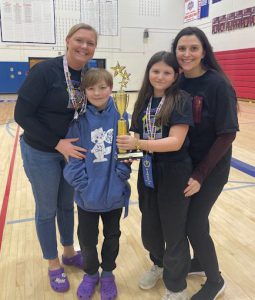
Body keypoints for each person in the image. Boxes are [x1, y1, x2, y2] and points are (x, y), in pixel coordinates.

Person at [14, 23, 98, 293]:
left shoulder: (88, 74)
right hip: (41, 150)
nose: (84, 47)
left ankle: (69, 252)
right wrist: (56, 143)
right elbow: (22, 115)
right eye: (79, 40)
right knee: (47, 209)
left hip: (71, 152)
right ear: (67, 40)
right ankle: (53, 264)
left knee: (66, 205)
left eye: (90, 43)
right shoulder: (45, 71)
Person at [117, 51, 194, 300]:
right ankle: (158, 264)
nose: (160, 76)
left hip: (174, 172)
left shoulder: (181, 99)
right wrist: (128, 149)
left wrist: (138, 143)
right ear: (148, 72)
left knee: (173, 230)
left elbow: (175, 142)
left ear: (175, 75)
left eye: (166, 72)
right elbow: (136, 133)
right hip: (148, 170)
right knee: (150, 227)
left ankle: (176, 285)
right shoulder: (143, 100)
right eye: (155, 71)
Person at [172, 27, 239, 300]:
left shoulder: (218, 84)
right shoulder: (178, 82)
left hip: (210, 168)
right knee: (189, 220)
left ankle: (215, 280)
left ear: (203, 52)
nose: (187, 54)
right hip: (187, 165)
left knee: (194, 222)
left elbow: (227, 134)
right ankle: (199, 261)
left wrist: (200, 174)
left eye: (193, 48)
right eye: (181, 48)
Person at [63, 68, 131, 300]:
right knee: (87, 240)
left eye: (103, 87)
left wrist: (121, 176)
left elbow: (127, 154)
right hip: (87, 197)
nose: (97, 92)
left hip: (114, 194)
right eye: (91, 88)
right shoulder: (78, 119)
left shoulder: (122, 116)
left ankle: (108, 274)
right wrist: (83, 185)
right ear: (85, 91)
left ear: (111, 88)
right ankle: (91, 275)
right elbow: (72, 158)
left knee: (112, 236)